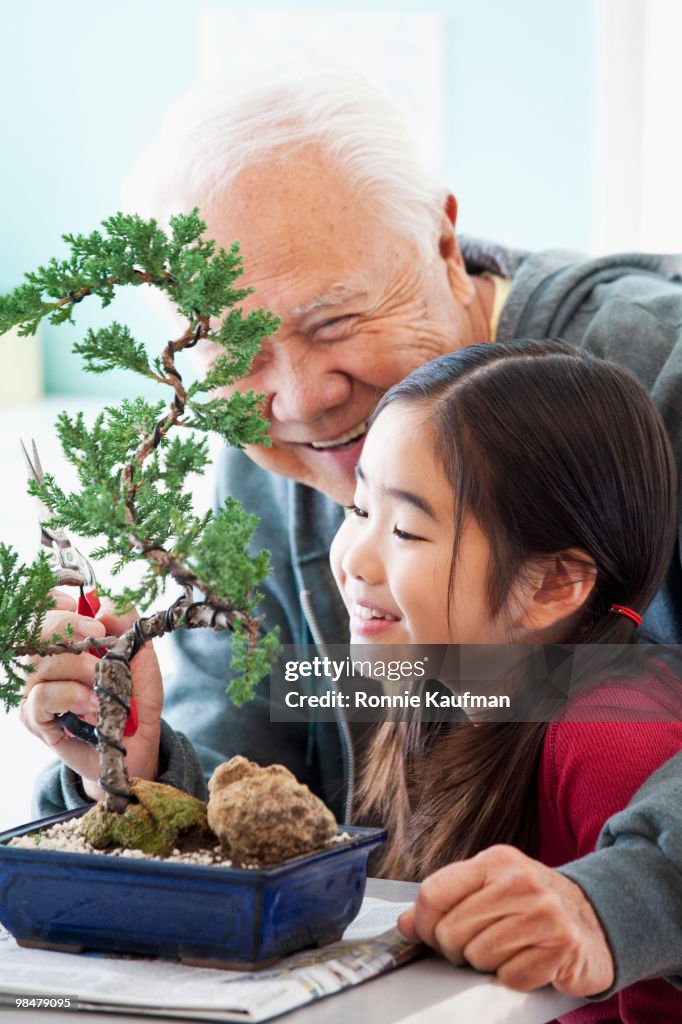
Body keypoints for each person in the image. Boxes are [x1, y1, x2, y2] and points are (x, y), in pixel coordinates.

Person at [19, 69, 682, 999]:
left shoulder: (662, 375)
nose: (300, 401)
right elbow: (272, 756)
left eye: (333, 322)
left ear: (445, 245)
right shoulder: (275, 456)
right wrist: (142, 763)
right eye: (235, 358)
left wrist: (627, 897)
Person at [329, 339, 682, 1021]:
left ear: (553, 583)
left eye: (405, 530)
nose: (356, 562)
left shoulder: (614, 737)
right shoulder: (448, 687)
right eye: (359, 511)